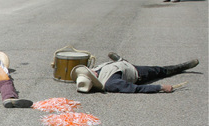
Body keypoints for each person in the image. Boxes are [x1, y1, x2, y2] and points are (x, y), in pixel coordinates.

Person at [70, 52, 199, 93]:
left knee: (116, 64)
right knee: (160, 70)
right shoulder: (111, 83)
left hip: (119, 66)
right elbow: (136, 88)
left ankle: (121, 60)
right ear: (94, 79)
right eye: (90, 73)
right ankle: (182, 67)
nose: (92, 71)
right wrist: (161, 87)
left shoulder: (96, 71)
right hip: (136, 72)